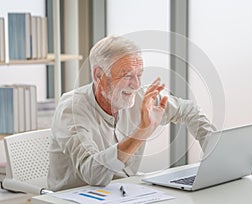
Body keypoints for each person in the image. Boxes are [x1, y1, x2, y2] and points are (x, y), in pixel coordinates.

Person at [47, 35, 215, 191]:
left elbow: (189, 110)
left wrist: (213, 152)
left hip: (124, 192)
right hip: (77, 196)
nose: (135, 85)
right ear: (99, 75)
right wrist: (142, 131)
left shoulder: (141, 97)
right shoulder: (71, 109)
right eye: (127, 75)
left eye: (139, 75)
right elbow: (93, 174)